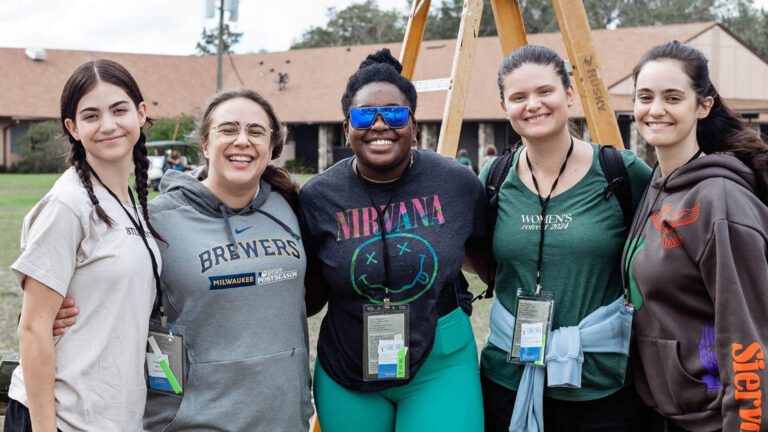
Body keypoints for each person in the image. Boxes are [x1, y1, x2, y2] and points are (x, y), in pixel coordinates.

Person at [52, 88, 314, 431]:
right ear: (205, 144)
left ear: (271, 147)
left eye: (255, 131)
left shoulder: (291, 206)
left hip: (283, 421)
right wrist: (51, 313)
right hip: (193, 422)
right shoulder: (154, 220)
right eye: (228, 129)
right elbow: (97, 291)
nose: (242, 141)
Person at [300, 48, 488, 432]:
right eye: (365, 115)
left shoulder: (456, 184)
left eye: (396, 114)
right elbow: (309, 290)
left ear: (414, 124)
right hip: (347, 366)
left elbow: (493, 259)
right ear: (347, 126)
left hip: (441, 360)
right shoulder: (318, 196)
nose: (380, 124)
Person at [478, 45, 652, 431]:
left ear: (569, 93)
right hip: (507, 378)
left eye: (545, 91)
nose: (533, 105)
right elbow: (476, 253)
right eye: (518, 97)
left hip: (601, 383)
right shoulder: (492, 177)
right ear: (504, 105)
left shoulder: (620, 172)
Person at [5, 59, 160, 431]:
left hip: (110, 415)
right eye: (91, 116)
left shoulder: (129, 205)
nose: (108, 125)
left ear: (140, 114)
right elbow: (33, 330)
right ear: (73, 129)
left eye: (119, 110)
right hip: (61, 418)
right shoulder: (67, 205)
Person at [624, 40, 768, 432]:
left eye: (673, 97)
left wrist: (746, 424)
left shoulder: (720, 200)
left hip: (713, 419)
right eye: (645, 97)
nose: (655, 110)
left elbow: (749, 332)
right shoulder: (658, 182)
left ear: (703, 106)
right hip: (661, 411)